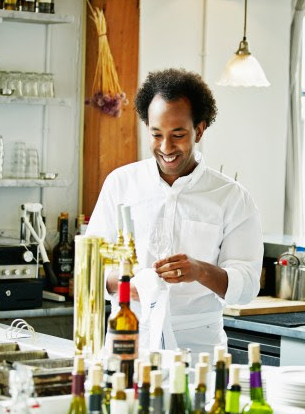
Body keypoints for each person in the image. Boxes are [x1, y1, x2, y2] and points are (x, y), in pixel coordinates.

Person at [86, 68, 263, 355]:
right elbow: (92, 264)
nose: (166, 147)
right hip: (129, 336)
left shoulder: (232, 198)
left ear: (200, 129)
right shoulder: (121, 184)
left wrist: (199, 270)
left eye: (178, 135)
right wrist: (123, 284)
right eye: (157, 135)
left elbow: (247, 287)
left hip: (197, 347)